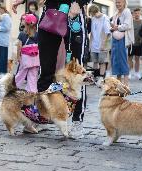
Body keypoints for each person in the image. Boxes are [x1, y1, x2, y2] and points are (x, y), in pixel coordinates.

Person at [12, 0, 92, 139]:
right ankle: (42, 116)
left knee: (78, 72)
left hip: (73, 14)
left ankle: (77, 121)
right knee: (45, 71)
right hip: (50, 13)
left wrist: (79, 3)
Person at [110, 0, 134, 86]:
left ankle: (126, 84)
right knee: (115, 61)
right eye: (116, 2)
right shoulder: (116, 12)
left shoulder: (127, 11)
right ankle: (119, 84)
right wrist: (112, 26)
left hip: (123, 39)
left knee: (123, 61)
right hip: (115, 39)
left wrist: (117, 27)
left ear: (124, 2)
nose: (117, 4)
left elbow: (127, 25)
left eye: (119, 2)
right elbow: (113, 24)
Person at [15, 14, 40, 92]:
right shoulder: (37, 34)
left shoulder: (22, 34)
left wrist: (18, 57)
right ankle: (32, 92)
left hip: (25, 59)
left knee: (20, 75)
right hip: (35, 60)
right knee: (33, 76)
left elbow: (19, 46)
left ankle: (13, 87)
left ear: (25, 23)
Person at [88, 4, 111, 87]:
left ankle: (101, 78)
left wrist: (103, 44)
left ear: (96, 11)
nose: (93, 16)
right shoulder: (93, 19)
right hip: (94, 44)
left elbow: (107, 32)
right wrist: (90, 45)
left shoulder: (105, 18)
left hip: (102, 44)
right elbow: (92, 33)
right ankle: (95, 77)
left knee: (102, 62)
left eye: (93, 14)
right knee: (95, 61)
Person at [0, 5, 12, 78]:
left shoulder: (6, 17)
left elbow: (7, 27)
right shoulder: (0, 17)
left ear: (3, 9)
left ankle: (2, 72)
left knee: (2, 56)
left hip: (3, 40)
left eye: (0, 9)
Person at [128, 8, 142, 80]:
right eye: (135, 13)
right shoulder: (130, 22)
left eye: (138, 13)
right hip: (131, 43)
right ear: (133, 14)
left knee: (137, 59)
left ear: (140, 14)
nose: (137, 14)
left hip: (139, 43)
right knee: (130, 59)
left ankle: (137, 73)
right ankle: (129, 72)